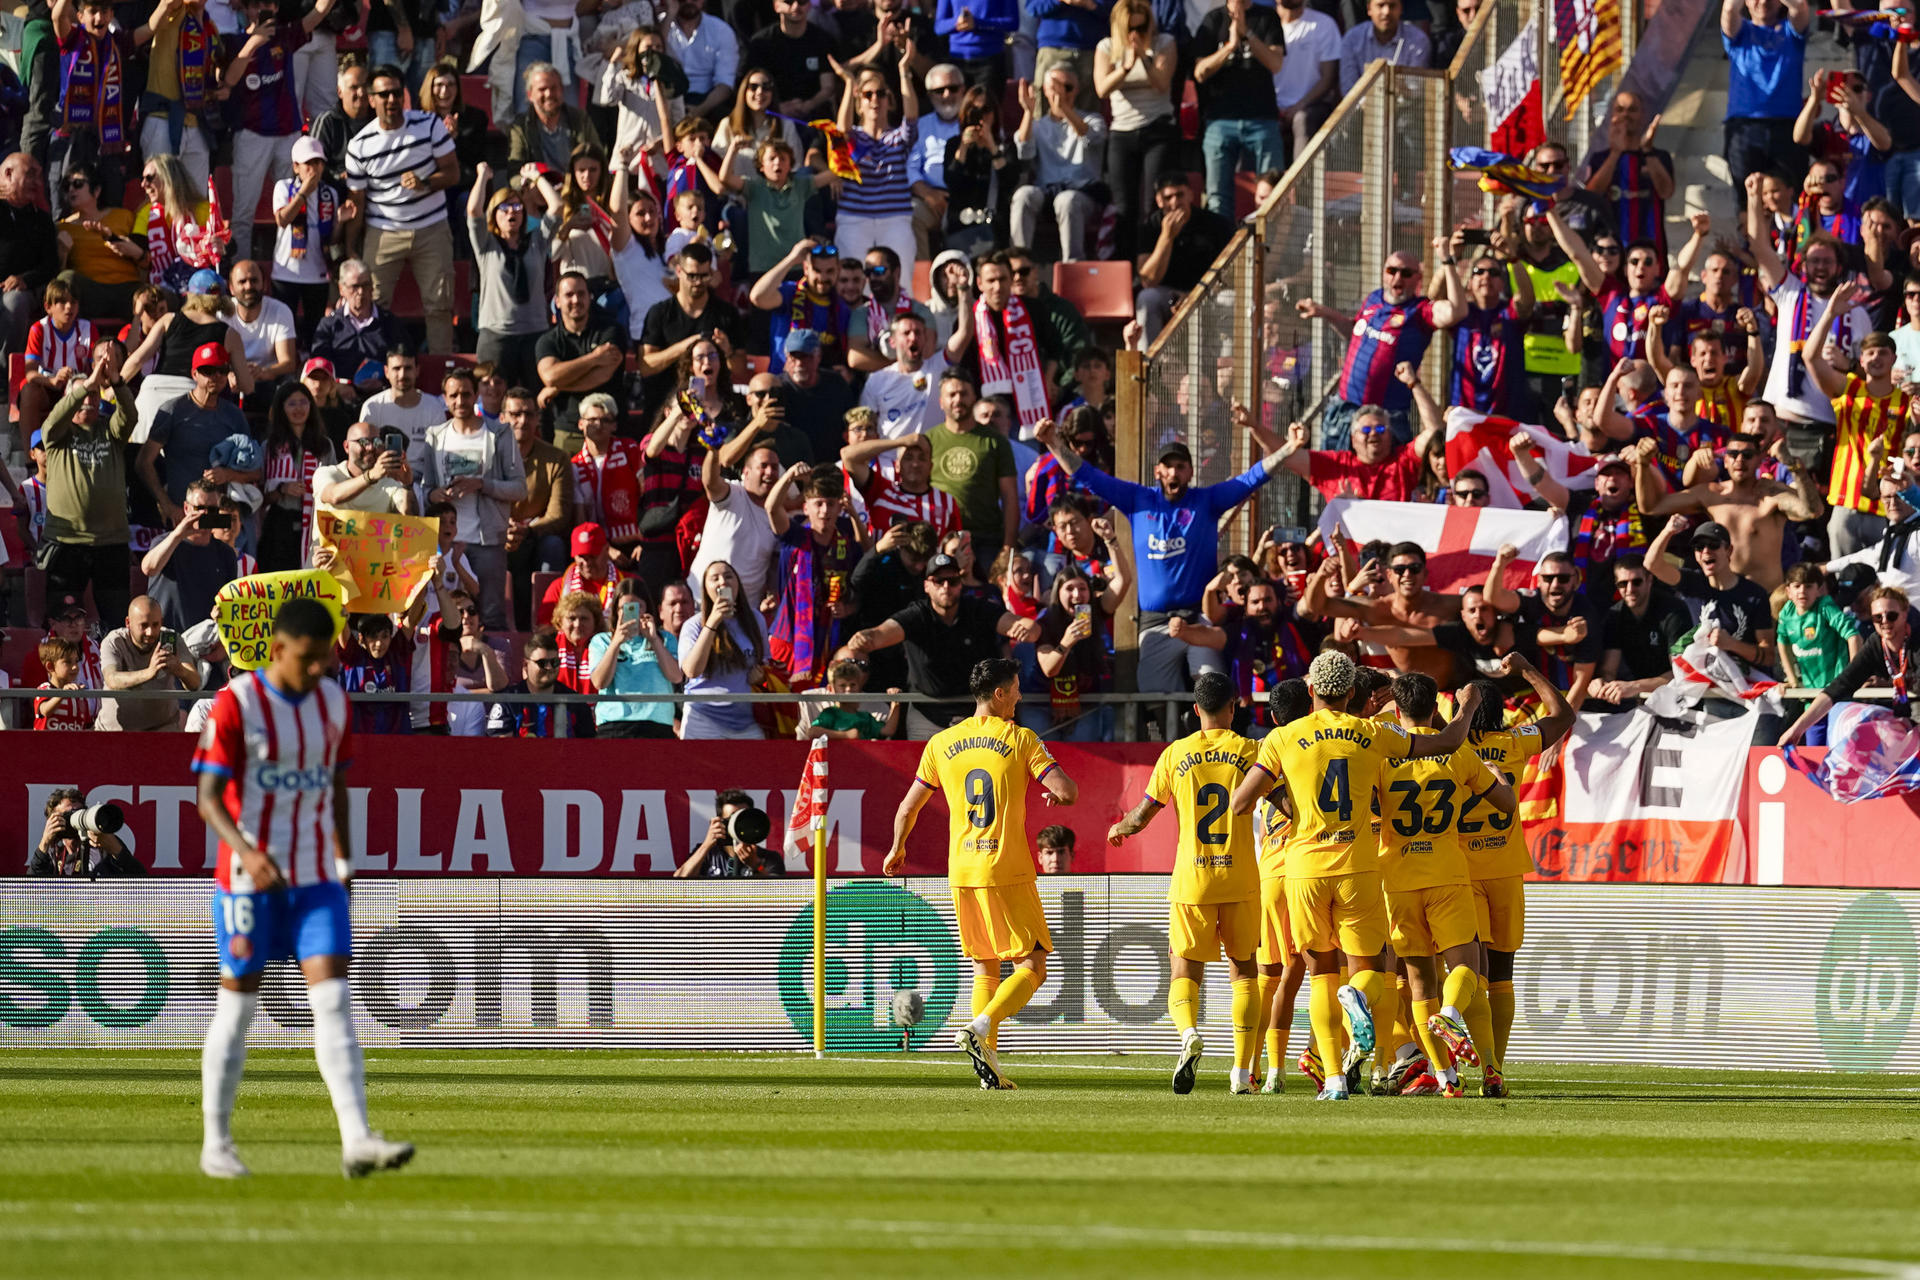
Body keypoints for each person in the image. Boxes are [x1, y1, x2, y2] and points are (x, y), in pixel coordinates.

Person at [191, 596, 414, 1181]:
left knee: (336, 1003)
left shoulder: (334, 704)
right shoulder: (236, 704)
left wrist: (345, 859)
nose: (318, 670)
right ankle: (216, 1143)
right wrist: (246, 851)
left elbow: (337, 786)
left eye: (325, 661)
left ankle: (358, 1139)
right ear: (278, 650)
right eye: (308, 659)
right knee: (237, 1008)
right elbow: (208, 799)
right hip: (248, 883)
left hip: (316, 880)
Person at [1227, 652, 1479, 1101]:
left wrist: (1290, 800)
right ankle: (1358, 1000)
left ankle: (1336, 1081)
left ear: (1312, 694)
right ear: (1350, 693)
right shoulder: (1373, 732)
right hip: (1358, 868)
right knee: (1366, 971)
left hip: (1303, 870)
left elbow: (1242, 803)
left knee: (1321, 973)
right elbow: (1446, 743)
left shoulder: (1283, 738)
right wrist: (1467, 708)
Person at [883, 657, 1077, 1090]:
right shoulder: (1020, 738)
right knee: (1034, 964)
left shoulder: (940, 743)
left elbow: (907, 806)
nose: (1022, 696)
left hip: (963, 870)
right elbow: (1067, 790)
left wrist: (898, 848)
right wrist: (1057, 798)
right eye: (1017, 688)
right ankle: (982, 1026)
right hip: (1005, 868)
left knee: (985, 967)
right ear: (999, 694)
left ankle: (988, 1063)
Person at [1034, 414, 1290, 695]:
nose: (1173, 473)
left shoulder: (1208, 501)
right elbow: (1088, 475)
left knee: (1211, 686)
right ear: (1157, 472)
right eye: (1167, 467)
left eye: (1181, 467)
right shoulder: (1136, 499)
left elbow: (1252, 478)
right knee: (1153, 698)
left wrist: (1290, 447)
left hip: (1198, 619)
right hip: (1155, 622)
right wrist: (1053, 442)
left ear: (1190, 473)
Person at [1106, 672, 1263, 1094]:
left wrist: (1119, 827)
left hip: (1193, 879)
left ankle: (1188, 1033)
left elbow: (1141, 816)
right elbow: (1283, 800)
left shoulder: (1175, 754)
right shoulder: (1251, 751)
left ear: (1195, 711)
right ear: (1233, 707)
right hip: (1241, 878)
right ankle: (1242, 1073)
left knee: (1184, 970)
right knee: (1245, 972)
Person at [1376, 671, 1513, 1098]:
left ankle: (1445, 1078)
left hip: (1397, 878)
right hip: (1446, 874)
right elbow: (1506, 806)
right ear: (1436, 708)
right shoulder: (1458, 756)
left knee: (1419, 986)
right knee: (1468, 967)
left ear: (1397, 711)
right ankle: (1468, 1039)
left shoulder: (1381, 754)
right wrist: (1497, 774)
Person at [1458, 658, 1573, 1088]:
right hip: (1506, 869)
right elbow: (1563, 715)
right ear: (1502, 711)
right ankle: (1495, 1069)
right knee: (1502, 976)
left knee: (1469, 971)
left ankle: (1467, 1055)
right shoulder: (1513, 742)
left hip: (1462, 872)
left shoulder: (1451, 746)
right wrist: (1527, 670)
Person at [834, 551, 1041, 736]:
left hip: (974, 713)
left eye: (952, 581)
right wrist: (864, 638)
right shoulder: (917, 615)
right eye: (938, 581)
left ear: (961, 584)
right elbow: (880, 634)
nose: (946, 587)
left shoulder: (978, 609)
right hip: (926, 715)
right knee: (926, 777)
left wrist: (1027, 628)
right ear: (926, 586)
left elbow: (1027, 627)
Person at [345, 63, 460, 354]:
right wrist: (349, 247)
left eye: (396, 93)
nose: (391, 100)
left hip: (431, 227)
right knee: (372, 305)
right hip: (384, 230)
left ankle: (442, 372)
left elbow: (452, 173)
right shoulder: (359, 146)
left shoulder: (430, 125)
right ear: (372, 99)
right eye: (384, 95)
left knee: (439, 305)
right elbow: (357, 203)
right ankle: (371, 371)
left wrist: (426, 182)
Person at [1294, 250, 1460, 446]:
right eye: (1392, 270)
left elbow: (1456, 311)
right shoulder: (1374, 299)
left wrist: (1448, 262)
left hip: (1385, 419)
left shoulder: (1420, 312)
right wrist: (1325, 313)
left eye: (1406, 273)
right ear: (1384, 273)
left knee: (1383, 475)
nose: (1398, 277)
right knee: (1334, 473)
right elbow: (1354, 331)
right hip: (1345, 410)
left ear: (1418, 278)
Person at [223, 0, 342, 262]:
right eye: (255, 5)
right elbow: (229, 80)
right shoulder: (232, 41)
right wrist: (254, 41)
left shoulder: (286, 35)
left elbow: (320, 11)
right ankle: (240, 275)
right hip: (251, 135)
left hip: (288, 135)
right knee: (243, 215)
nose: (261, 9)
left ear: (276, 8)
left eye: (268, 4)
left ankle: (290, 268)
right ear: (245, 9)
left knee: (295, 207)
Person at [1633, 431, 1824, 591]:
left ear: (1759, 460)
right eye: (1733, 454)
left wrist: (1794, 466)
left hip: (1768, 599)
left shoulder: (1772, 493)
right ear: (1725, 461)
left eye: (1747, 455)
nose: (1739, 459)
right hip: (1727, 599)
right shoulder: (1711, 494)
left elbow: (1813, 511)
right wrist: (1642, 464)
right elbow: (1651, 507)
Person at [422, 366, 529, 628]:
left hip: (487, 542)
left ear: (476, 395)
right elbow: (426, 491)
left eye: (466, 394)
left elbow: (519, 489)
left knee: (491, 617)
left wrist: (481, 484)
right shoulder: (434, 436)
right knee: (441, 615)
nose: (460, 401)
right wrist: (437, 494)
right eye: (454, 395)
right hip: (444, 543)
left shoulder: (499, 433)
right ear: (445, 399)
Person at [38, 344, 136, 627]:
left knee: (117, 621)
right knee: (61, 619)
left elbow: (130, 415)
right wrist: (87, 383)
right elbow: (51, 424)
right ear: (69, 399)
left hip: (112, 542)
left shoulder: (111, 429)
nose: (89, 399)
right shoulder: (59, 434)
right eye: (83, 394)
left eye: (94, 394)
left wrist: (115, 381)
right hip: (67, 542)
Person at [134, 339, 260, 527]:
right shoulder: (172, 410)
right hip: (185, 517)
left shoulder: (235, 416)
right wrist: (167, 505)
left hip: (222, 520)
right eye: (208, 370)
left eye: (222, 370)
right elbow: (143, 463)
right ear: (194, 374)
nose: (216, 376)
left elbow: (256, 473)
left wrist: (228, 475)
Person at [122, 269, 256, 438]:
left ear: (190, 295)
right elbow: (247, 386)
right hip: (192, 401)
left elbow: (136, 360)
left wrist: (114, 388)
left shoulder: (169, 319)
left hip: (152, 396)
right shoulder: (230, 334)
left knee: (141, 460)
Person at [1779, 585, 1920, 745]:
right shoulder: (1876, 643)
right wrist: (1797, 728)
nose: (1885, 622)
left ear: (1905, 613)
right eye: (1877, 617)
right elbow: (1840, 686)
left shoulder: (1916, 640)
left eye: (1892, 616)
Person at [1094, 0, 1178, 267]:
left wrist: (1144, 57)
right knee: (1124, 207)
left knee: (1153, 204)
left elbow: (1162, 83)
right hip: (1122, 131)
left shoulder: (1164, 42)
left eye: (1142, 27)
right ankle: (1125, 266)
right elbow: (1102, 89)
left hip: (1158, 128)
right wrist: (1125, 67)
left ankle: (1153, 263)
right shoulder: (1107, 47)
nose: (1137, 34)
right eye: (1132, 28)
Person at [766, 463, 864, 690]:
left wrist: (847, 609)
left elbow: (861, 585)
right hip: (789, 637)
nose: (824, 511)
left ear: (839, 507)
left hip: (828, 639)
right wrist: (790, 475)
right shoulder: (796, 536)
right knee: (782, 713)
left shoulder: (845, 542)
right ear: (805, 508)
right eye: (818, 504)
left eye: (830, 504)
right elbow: (772, 508)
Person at [468, 161, 559, 393]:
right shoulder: (487, 244)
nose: (512, 213)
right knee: (492, 397)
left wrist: (537, 178)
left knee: (537, 397)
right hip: (497, 336)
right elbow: (473, 211)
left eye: (518, 208)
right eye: (505, 208)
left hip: (535, 334)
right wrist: (482, 177)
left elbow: (556, 207)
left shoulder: (537, 241)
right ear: (494, 214)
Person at [1189, 0, 1286, 220]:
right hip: (1220, 121)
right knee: (1217, 198)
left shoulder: (1267, 17)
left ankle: (1271, 248)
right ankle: (1222, 250)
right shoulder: (1213, 20)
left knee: (1274, 195)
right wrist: (1230, 46)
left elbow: (1275, 63)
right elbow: (1200, 72)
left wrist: (1248, 35)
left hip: (1262, 118)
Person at [832, 52, 921, 276]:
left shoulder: (898, 137)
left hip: (894, 217)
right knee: (851, 282)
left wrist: (904, 71)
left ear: (889, 101)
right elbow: (842, 131)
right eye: (867, 94)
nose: (874, 100)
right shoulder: (854, 137)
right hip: (854, 218)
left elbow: (911, 117)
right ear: (858, 103)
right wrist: (849, 83)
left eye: (881, 94)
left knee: (900, 284)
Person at [1009, 65, 1106, 262]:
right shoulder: (1038, 125)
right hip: (1047, 191)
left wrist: (1066, 111)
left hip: (1084, 192)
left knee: (1067, 200)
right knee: (1023, 195)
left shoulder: (1093, 119)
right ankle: (1018, 261)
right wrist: (1028, 112)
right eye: (1056, 87)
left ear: (1077, 90)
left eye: (1068, 88)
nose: (1061, 94)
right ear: (1045, 90)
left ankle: (1072, 265)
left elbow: (1090, 137)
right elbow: (1024, 151)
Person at [924, 368, 1018, 566]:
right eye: (952, 394)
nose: (958, 399)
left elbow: (1010, 497)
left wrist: (1008, 547)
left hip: (987, 540)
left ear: (974, 397)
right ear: (941, 402)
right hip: (940, 540)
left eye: (964, 393)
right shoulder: (928, 441)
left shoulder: (996, 442)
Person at [1135, 169, 1235, 343]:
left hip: (1207, 292)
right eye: (1168, 198)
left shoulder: (1215, 224)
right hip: (1168, 295)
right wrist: (1167, 237)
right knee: (1147, 298)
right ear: (1159, 201)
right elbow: (1148, 280)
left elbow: (1232, 273)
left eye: (1180, 195)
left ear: (1190, 195)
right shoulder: (1150, 227)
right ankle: (1147, 365)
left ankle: (1227, 367)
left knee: (1230, 298)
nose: (1175, 203)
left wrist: (1195, 295)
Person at [1723, 0, 1811, 195]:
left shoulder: (1792, 32)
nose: (1763, 1)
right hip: (1744, 128)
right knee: (1747, 201)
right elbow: (1729, 8)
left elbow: (1800, 7)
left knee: (1794, 198)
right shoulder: (1739, 32)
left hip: (1787, 127)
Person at [505, 387, 574, 629]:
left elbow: (559, 515)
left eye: (528, 414)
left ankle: (547, 622)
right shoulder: (488, 454)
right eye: (515, 414)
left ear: (537, 418)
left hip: (537, 536)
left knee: (554, 545)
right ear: (502, 417)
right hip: (498, 535)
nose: (522, 420)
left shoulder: (556, 458)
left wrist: (528, 530)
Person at [680, 558, 770, 740]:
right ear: (705, 588)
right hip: (703, 718)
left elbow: (765, 662)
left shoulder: (755, 619)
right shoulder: (693, 625)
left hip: (746, 720)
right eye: (715, 578)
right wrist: (713, 622)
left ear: (737, 583)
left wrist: (761, 677)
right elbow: (691, 670)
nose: (723, 582)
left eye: (729, 576)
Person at [1577, 91, 1675, 257]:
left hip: (1649, 254)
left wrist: (1647, 151)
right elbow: (1592, 195)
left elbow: (1666, 191)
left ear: (1643, 115)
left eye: (1632, 110)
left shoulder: (1658, 157)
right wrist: (1615, 153)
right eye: (1620, 109)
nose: (1625, 115)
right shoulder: (1600, 158)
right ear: (1612, 115)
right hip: (1610, 253)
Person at [538, 272, 628, 451]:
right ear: (557, 301)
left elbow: (602, 375)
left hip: (610, 428)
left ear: (589, 297)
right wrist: (594, 358)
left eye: (581, 294)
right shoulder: (548, 341)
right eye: (569, 295)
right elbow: (550, 376)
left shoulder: (612, 331)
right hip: (568, 430)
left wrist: (559, 387)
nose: (576, 300)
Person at [1592, 554, 1693, 706]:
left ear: (1650, 580)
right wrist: (1601, 683)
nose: (1630, 589)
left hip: (1681, 697)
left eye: (1636, 582)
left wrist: (1634, 686)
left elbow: (1681, 673)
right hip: (1640, 700)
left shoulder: (1673, 611)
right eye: (1622, 584)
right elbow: (1609, 670)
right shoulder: (1615, 615)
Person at [142, 478, 241, 633]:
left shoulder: (225, 553)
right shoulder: (165, 542)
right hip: (167, 638)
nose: (206, 514)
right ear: (187, 508)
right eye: (200, 508)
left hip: (206, 640)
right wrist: (178, 534)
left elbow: (230, 603)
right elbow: (148, 569)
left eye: (212, 509)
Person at [590, 578, 685, 738]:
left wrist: (654, 640)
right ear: (616, 611)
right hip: (615, 724)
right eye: (624, 608)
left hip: (657, 724)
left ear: (647, 607)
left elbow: (676, 676)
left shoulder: (665, 639)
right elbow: (599, 682)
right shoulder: (602, 640)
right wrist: (616, 643)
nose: (631, 613)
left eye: (637, 607)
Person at [54, 161, 143, 320]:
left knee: (158, 296)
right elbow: (57, 282)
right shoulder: (62, 228)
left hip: (128, 289)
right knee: (67, 278)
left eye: (78, 184)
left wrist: (123, 245)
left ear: (96, 190)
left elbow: (145, 262)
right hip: (90, 294)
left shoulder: (124, 217)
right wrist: (62, 253)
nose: (71, 189)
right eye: (67, 186)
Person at [99, 595, 202, 731]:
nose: (150, 632)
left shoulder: (171, 639)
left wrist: (180, 670)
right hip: (116, 732)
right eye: (144, 625)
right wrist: (149, 672)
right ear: (128, 623)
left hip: (162, 731)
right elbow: (112, 679)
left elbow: (195, 684)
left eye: (155, 624)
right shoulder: (114, 642)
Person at [487, 627, 595, 738]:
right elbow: (500, 748)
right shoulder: (508, 701)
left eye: (554, 662)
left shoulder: (575, 703)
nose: (549, 668)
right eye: (542, 663)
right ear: (525, 665)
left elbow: (587, 748)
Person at [357, 342, 446, 475]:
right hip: (382, 480)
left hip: (422, 483)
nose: (402, 374)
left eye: (408, 368)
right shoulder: (372, 407)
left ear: (417, 371)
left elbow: (440, 457)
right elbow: (364, 452)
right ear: (386, 371)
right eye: (396, 368)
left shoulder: (434, 408)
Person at [909, 63, 966, 261]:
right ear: (930, 95)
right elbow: (911, 167)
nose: (947, 95)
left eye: (953, 88)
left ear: (963, 89)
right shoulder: (921, 125)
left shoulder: (978, 120)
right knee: (911, 213)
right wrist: (927, 194)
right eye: (939, 90)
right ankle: (921, 284)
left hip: (967, 200)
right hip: (931, 198)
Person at [507, 62, 606, 171]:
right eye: (542, 89)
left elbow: (599, 158)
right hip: (539, 184)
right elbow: (514, 172)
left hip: (574, 185)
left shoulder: (580, 119)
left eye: (554, 88)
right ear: (530, 95)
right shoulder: (520, 127)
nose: (549, 94)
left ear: (562, 90)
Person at [315, 420, 417, 525]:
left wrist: (407, 485)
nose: (371, 447)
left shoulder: (390, 482)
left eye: (377, 442)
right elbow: (334, 496)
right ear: (346, 446)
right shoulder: (327, 473)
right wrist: (371, 476)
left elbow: (408, 520)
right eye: (363, 442)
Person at [225, 259, 299, 395]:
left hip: (268, 380)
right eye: (242, 282)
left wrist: (264, 372)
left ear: (264, 285)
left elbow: (288, 363)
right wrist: (229, 375)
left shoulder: (280, 310)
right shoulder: (222, 313)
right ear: (231, 288)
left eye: (254, 280)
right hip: (231, 380)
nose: (248, 286)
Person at [676, 788, 786, 877]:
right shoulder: (708, 856)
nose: (739, 824)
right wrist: (706, 845)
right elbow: (677, 884)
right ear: (720, 821)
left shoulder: (769, 858)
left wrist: (757, 866)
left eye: (743, 818)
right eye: (732, 818)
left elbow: (779, 894)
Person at [1338, 0, 1428, 94]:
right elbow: (1348, 89)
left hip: (1405, 106)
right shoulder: (1352, 39)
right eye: (1380, 5)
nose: (1386, 12)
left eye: (1392, 6)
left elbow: (1415, 91)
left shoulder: (1418, 40)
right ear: (1369, 9)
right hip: (1361, 106)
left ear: (1401, 8)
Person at [804, 658, 903, 739]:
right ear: (832, 689)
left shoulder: (865, 717)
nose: (848, 689)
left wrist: (895, 703)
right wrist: (845, 735)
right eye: (842, 685)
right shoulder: (830, 714)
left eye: (853, 684)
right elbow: (812, 732)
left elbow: (888, 730)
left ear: (860, 687)